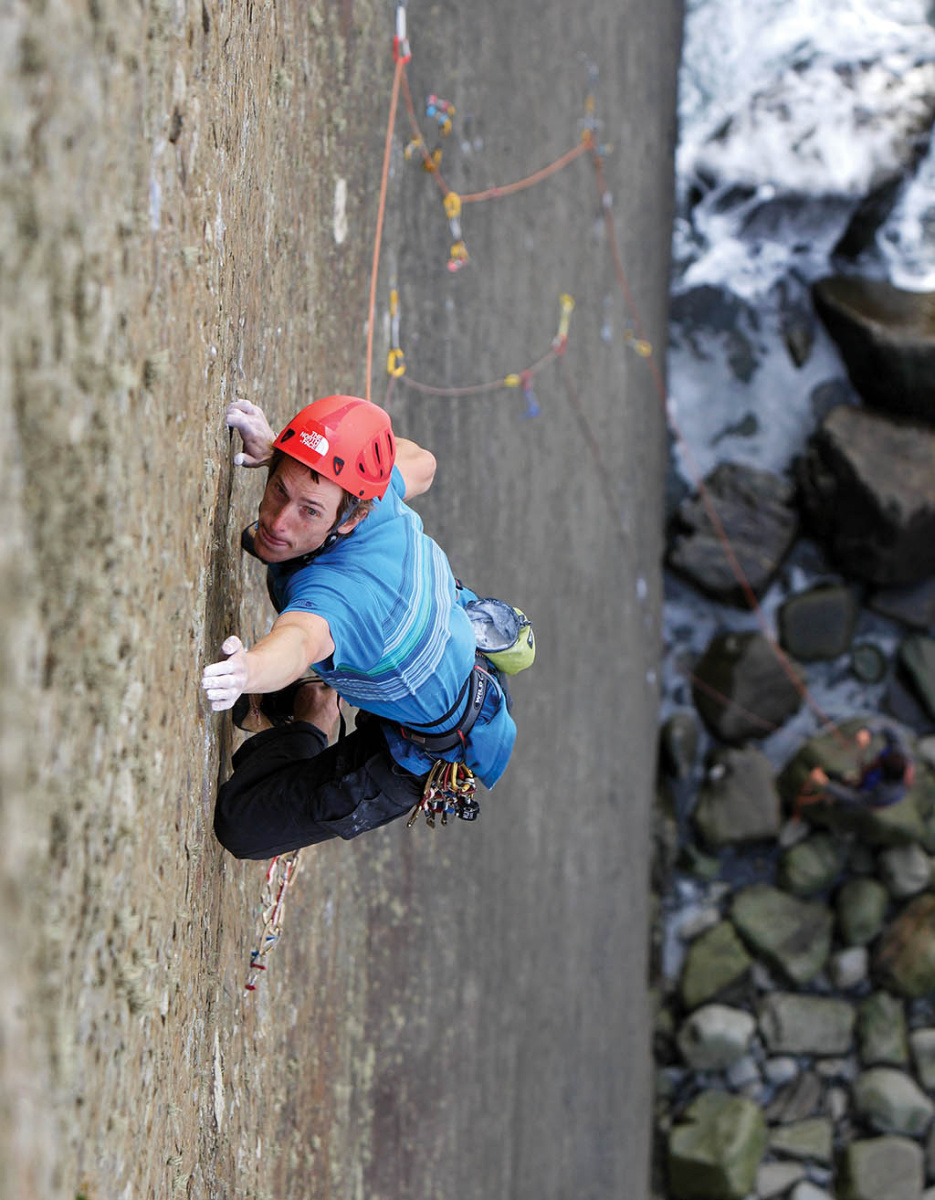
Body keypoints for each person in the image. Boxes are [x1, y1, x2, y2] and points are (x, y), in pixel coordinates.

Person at [201, 395, 517, 858]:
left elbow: (300, 640)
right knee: (277, 554)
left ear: (351, 520)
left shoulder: (343, 599)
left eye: (310, 510)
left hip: (425, 746)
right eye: (279, 489)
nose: (278, 519)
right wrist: (283, 451)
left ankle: (316, 708)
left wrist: (248, 670)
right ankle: (316, 688)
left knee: (242, 823)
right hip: (452, 645)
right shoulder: (369, 488)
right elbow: (424, 464)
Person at [794, 725, 916, 819]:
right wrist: (868, 731)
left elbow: (854, 798)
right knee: (841, 779)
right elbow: (888, 726)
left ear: (883, 773)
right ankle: (839, 784)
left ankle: (821, 811)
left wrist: (825, 784)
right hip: (865, 781)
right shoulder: (901, 752)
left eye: (880, 764)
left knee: (842, 805)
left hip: (864, 796)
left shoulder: (885, 792)